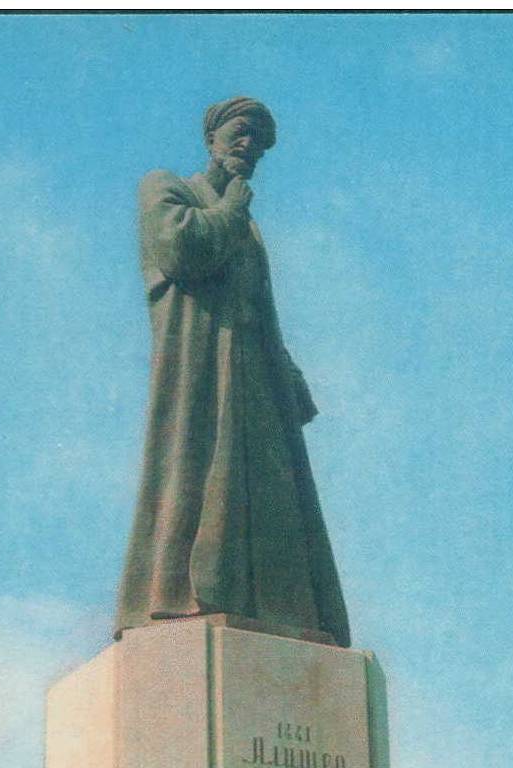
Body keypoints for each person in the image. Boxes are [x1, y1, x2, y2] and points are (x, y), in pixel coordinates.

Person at [114, 96, 351, 648]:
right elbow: (181, 250)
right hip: (201, 368)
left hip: (255, 374)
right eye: (242, 133)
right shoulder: (167, 187)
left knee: (267, 491)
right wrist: (231, 210)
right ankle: (187, 595)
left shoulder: (247, 225)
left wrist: (286, 370)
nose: (250, 147)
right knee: (200, 477)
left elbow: (256, 304)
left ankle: (272, 606)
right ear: (213, 137)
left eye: (261, 143)